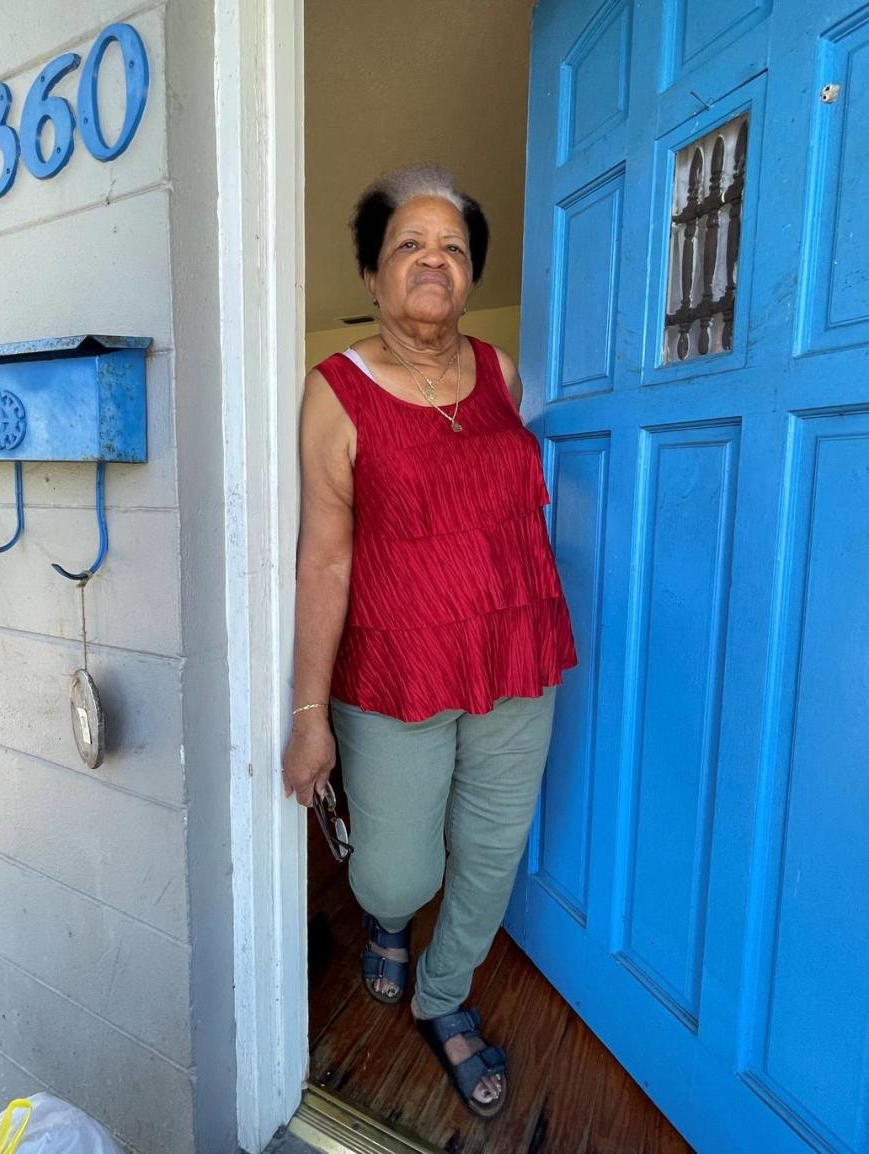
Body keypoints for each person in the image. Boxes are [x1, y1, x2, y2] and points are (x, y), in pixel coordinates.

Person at [282, 165, 576, 1117]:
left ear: (470, 273)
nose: (433, 260)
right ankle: (390, 919)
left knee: (491, 851)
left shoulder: (502, 373)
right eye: (410, 243)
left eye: (452, 246)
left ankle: (443, 997)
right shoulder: (334, 393)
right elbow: (324, 562)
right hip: (398, 664)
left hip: (516, 651)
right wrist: (308, 713)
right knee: (395, 866)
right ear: (372, 274)